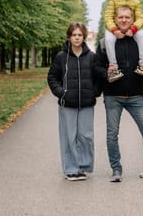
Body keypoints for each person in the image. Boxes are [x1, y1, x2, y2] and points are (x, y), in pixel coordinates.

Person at [96, 6, 143, 183]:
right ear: (115, 19)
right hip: (113, 96)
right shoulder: (106, 42)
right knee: (112, 134)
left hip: (136, 96)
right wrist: (107, 72)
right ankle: (116, 169)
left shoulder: (141, 40)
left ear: (133, 19)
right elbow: (96, 66)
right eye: (121, 17)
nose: (124, 20)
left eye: (128, 17)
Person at [47, 22, 102, 181]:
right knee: (69, 136)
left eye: (79, 35)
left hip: (86, 103)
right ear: (69, 37)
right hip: (67, 104)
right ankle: (71, 169)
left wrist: (94, 93)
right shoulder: (61, 57)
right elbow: (52, 77)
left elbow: (99, 78)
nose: (77, 38)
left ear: (84, 37)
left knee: (86, 136)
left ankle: (84, 167)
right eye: (74, 35)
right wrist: (61, 93)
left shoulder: (91, 57)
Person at [104, 0, 143, 82]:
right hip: (114, 28)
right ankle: (114, 68)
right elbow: (108, 17)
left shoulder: (136, 2)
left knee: (142, 35)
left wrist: (133, 29)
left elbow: (140, 18)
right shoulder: (113, 1)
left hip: (131, 27)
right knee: (108, 40)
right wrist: (114, 30)